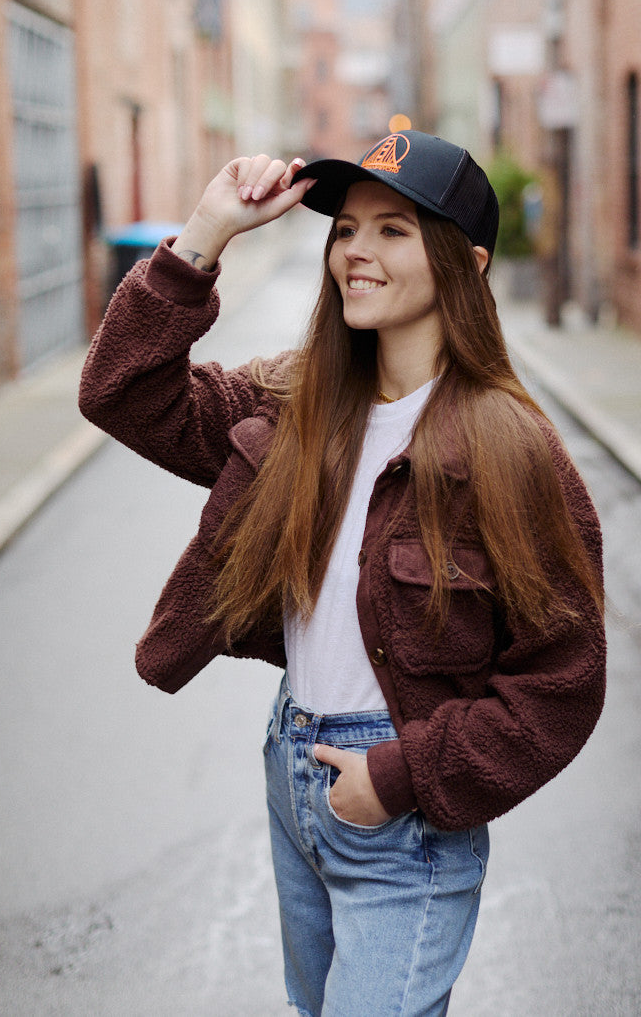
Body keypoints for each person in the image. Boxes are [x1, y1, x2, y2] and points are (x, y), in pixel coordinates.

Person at [79, 129, 606, 1017]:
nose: (356, 252)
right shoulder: (296, 403)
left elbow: (563, 683)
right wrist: (207, 231)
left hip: (403, 809)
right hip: (295, 772)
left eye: (394, 230)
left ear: (467, 264)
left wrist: (395, 779)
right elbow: (122, 392)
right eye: (347, 228)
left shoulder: (514, 452)